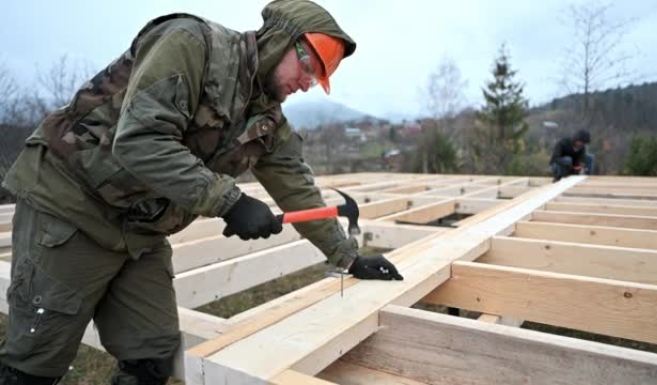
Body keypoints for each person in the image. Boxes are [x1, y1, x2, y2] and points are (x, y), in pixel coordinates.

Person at [0, 1, 403, 383]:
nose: (308, 83)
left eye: (317, 77)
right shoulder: (191, 45)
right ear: (281, 41)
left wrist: (347, 257)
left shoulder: (267, 120)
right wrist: (229, 201)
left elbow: (296, 185)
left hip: (140, 230)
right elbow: (140, 141)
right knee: (36, 360)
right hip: (73, 205)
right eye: (307, 67)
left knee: (152, 356)